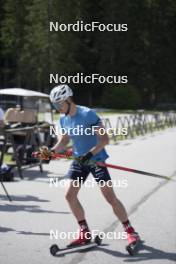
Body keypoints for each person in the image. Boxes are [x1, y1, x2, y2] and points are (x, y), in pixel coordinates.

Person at [40, 84, 140, 247]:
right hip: (80, 161)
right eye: (54, 105)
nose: (57, 108)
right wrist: (50, 152)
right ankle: (84, 232)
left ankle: (130, 231)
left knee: (110, 197)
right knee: (69, 195)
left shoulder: (87, 114)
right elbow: (64, 141)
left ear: (68, 100)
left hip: (96, 160)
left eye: (58, 104)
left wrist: (90, 154)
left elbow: (104, 140)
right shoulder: (64, 119)